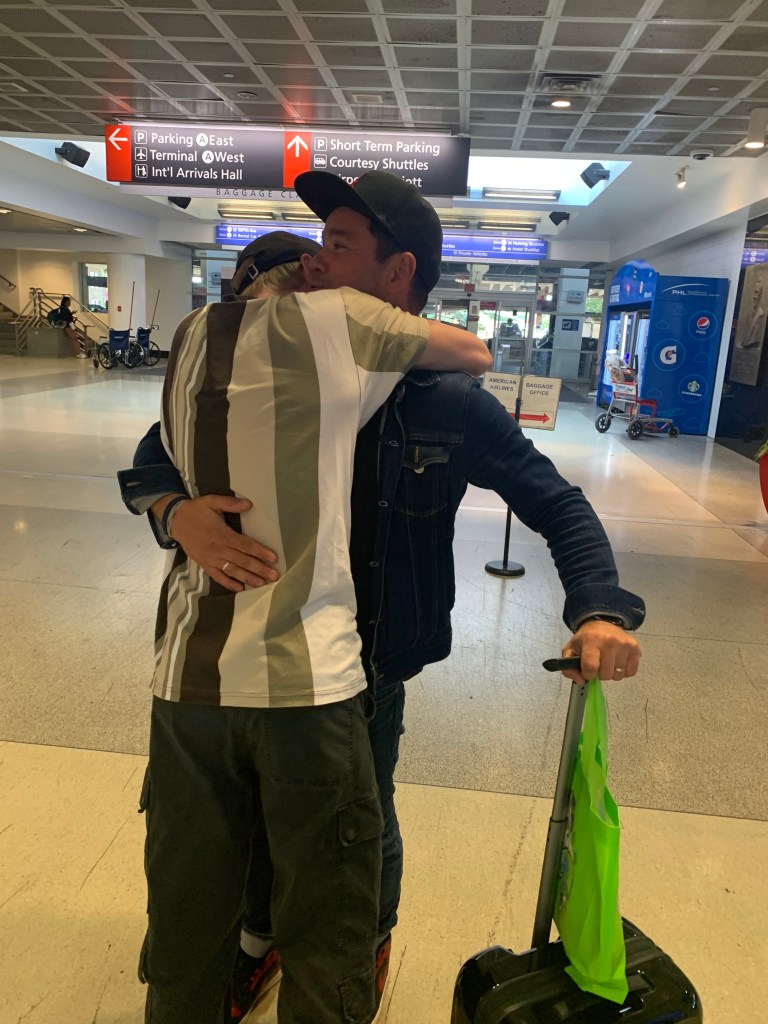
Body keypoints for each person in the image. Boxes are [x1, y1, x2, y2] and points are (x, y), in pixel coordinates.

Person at [119, 172, 644, 1021]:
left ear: (398, 275)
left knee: (359, 831)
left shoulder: (449, 402)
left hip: (369, 665)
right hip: (240, 665)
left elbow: (557, 503)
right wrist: (179, 516)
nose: (313, 264)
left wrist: (600, 608)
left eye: (336, 247)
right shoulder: (270, 360)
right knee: (245, 831)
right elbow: (154, 457)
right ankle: (258, 942)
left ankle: (366, 942)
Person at [130, 226, 491, 1024]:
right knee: (331, 920)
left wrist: (174, 510)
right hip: (309, 681)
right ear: (305, 282)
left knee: (186, 908)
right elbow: (475, 351)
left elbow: (151, 456)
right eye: (320, 257)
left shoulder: (190, 334)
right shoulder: (338, 324)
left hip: (188, 678)